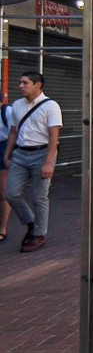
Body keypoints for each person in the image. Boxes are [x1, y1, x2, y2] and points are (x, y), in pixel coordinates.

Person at [4, 72, 63, 253]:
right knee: (11, 193)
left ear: (37, 85)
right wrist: (7, 154)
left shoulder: (51, 106)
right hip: (21, 154)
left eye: (25, 83)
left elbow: (54, 136)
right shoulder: (17, 105)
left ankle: (38, 235)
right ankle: (31, 223)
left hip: (42, 153)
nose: (20, 86)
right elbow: (13, 132)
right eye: (20, 82)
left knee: (39, 197)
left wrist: (47, 162)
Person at [0, 94, 12, 243]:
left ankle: (2, 228)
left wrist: (8, 154)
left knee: (3, 191)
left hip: (3, 147)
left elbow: (14, 133)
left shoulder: (8, 112)